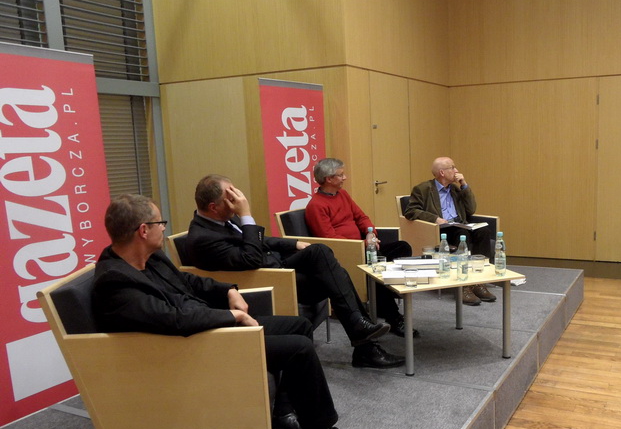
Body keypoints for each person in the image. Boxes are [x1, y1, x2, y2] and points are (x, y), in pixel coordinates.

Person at [91, 194, 367, 429]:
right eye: (159, 223)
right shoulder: (116, 281)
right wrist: (232, 317)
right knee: (299, 348)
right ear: (143, 230)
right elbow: (174, 320)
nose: (163, 228)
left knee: (300, 326)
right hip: (186, 348)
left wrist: (228, 290)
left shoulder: (149, 257)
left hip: (205, 329)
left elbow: (187, 282)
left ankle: (283, 417)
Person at [185, 174, 405, 369]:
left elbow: (260, 241)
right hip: (268, 280)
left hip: (276, 266)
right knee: (334, 274)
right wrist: (246, 215)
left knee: (323, 258)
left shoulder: (224, 219)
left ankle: (363, 338)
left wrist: (293, 243)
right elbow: (251, 258)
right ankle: (364, 343)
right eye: (230, 197)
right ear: (213, 207)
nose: (237, 200)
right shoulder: (202, 238)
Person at [305, 158, 418, 338]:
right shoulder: (316, 205)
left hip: (363, 247)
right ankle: (393, 317)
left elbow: (361, 217)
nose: (345, 178)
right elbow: (330, 238)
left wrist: (370, 234)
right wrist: (362, 245)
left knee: (402, 247)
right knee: (378, 270)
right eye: (341, 175)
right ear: (329, 179)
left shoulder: (343, 195)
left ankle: (383, 300)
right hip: (346, 254)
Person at [405, 157, 496, 305]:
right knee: (462, 235)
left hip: (460, 224)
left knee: (484, 231)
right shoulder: (423, 189)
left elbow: (471, 209)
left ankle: (479, 281)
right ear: (442, 172)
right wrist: (435, 218)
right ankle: (463, 286)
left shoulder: (455, 189)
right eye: (452, 168)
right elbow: (410, 211)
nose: (456, 171)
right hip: (441, 230)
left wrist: (464, 185)